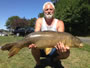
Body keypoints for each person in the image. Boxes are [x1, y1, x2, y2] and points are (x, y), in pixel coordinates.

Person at [29, 2, 70, 68]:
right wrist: (34, 43)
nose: (49, 11)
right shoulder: (39, 20)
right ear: (43, 11)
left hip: (54, 49)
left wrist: (62, 48)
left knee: (66, 52)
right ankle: (38, 63)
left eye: (51, 9)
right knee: (34, 47)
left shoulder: (59, 22)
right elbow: (36, 33)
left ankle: (55, 60)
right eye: (46, 9)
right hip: (41, 48)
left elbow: (61, 39)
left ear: (54, 11)